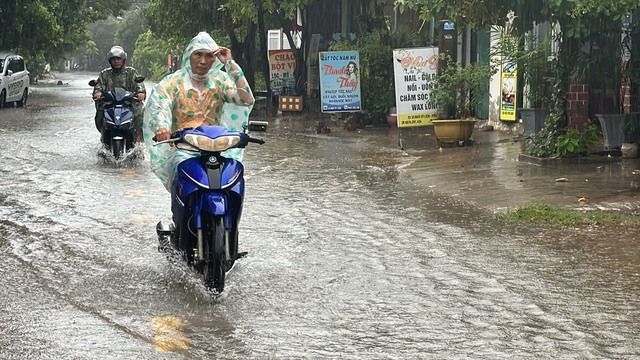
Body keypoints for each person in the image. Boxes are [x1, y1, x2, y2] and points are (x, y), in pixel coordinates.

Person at [143, 32, 255, 191]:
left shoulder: (221, 81)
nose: (203, 61)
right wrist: (162, 128)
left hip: (217, 147)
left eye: (209, 56)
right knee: (180, 174)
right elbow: (160, 105)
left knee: (234, 176)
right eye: (198, 55)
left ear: (215, 60)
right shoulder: (173, 82)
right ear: (189, 55)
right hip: (184, 148)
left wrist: (230, 64)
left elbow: (246, 100)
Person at [92, 46, 146, 143]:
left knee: (140, 113)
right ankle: (103, 133)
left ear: (123, 60)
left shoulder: (131, 72)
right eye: (113, 59)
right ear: (110, 61)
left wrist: (140, 92)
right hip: (109, 103)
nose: (116, 61)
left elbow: (139, 83)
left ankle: (138, 140)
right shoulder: (105, 74)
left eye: (118, 59)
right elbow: (99, 85)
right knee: (100, 113)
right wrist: (98, 92)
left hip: (129, 103)